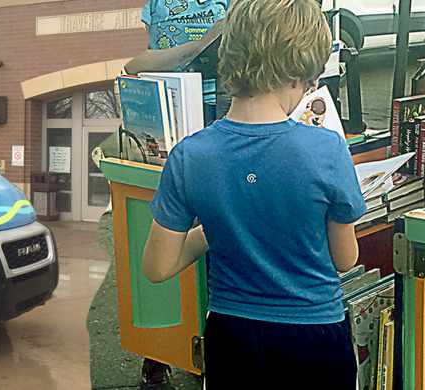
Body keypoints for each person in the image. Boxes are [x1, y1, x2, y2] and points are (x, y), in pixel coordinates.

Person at [140, 0, 365, 387]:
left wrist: (213, 229)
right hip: (313, 334)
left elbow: (157, 268)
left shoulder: (189, 156)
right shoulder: (327, 149)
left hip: (231, 335)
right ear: (297, 74)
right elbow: (345, 259)